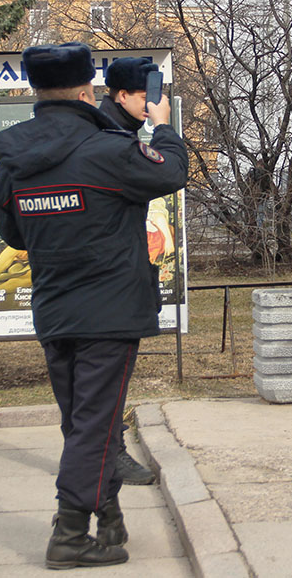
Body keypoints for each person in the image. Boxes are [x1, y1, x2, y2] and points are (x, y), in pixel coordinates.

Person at [0, 42, 187, 569]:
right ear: (86, 91)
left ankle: (110, 520)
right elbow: (169, 173)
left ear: (37, 90)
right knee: (95, 425)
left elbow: (13, 231)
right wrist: (163, 126)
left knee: (83, 422)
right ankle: (70, 533)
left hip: (55, 307)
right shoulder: (108, 148)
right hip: (110, 309)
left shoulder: (15, 159)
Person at [94, 56, 166, 486]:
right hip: (110, 283)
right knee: (103, 382)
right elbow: (170, 173)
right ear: (122, 96)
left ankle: (98, 455)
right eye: (146, 96)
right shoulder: (112, 137)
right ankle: (107, 458)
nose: (154, 104)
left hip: (107, 275)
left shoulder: (116, 129)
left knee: (92, 387)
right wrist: (164, 129)